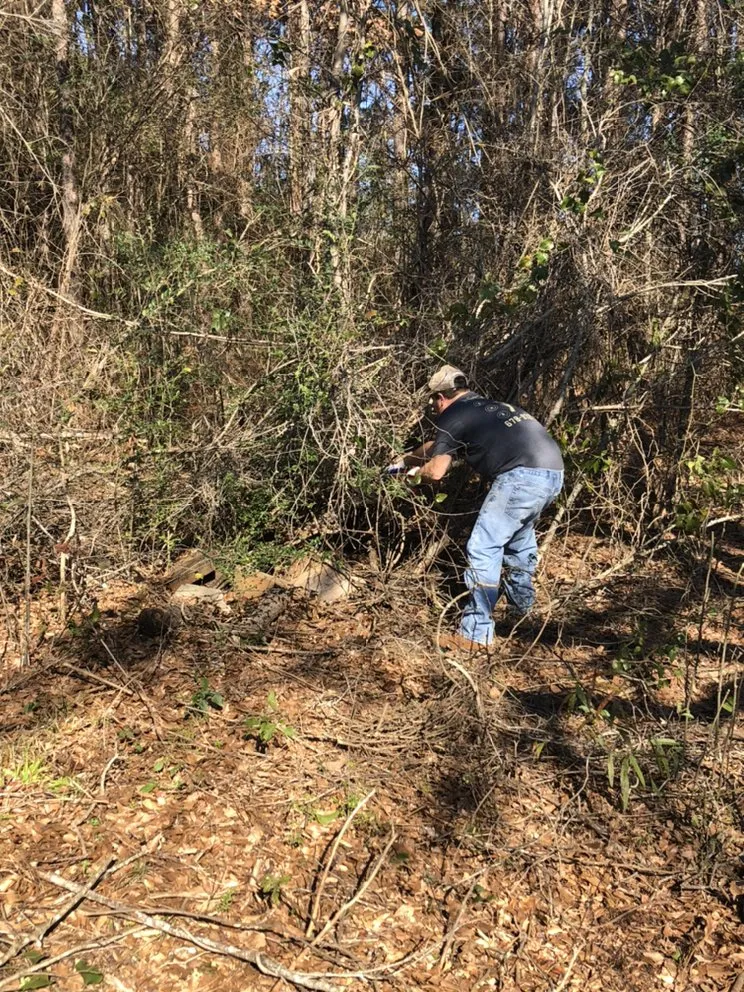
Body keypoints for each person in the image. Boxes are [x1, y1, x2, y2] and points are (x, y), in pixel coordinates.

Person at [387, 365, 564, 650]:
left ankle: (475, 634)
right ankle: (524, 617)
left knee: (484, 547)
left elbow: (437, 471)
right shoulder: (485, 408)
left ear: (440, 398)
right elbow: (437, 447)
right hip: (552, 474)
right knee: (518, 545)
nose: (433, 406)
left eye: (433, 401)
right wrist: (406, 460)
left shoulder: (452, 415)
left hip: (519, 477)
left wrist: (413, 478)